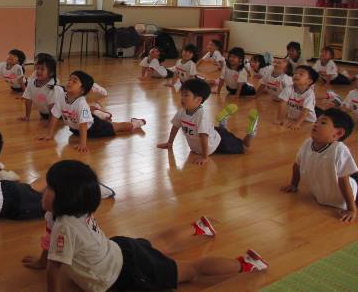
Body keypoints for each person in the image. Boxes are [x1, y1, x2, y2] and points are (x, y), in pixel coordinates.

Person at [22, 160, 267, 292]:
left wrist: (46, 266)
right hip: (118, 249)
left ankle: (245, 263)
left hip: (123, 271)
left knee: (191, 270)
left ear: (66, 198)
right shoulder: (63, 213)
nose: (43, 191)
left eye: (50, 188)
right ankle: (199, 228)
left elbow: (55, 268)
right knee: (160, 243)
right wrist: (41, 261)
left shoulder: (65, 225)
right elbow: (51, 246)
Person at [157, 79, 259, 166]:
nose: (182, 98)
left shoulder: (202, 117)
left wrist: (205, 157)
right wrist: (169, 143)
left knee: (244, 146)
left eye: (186, 95)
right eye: (182, 94)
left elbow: (203, 137)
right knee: (218, 131)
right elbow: (175, 126)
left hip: (219, 144)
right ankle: (222, 124)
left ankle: (252, 130)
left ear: (198, 100)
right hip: (213, 133)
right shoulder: (182, 112)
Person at [281, 108, 358, 223]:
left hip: (353, 192)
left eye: (323, 123)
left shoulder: (339, 150)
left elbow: (344, 180)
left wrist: (352, 209)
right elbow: (297, 165)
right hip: (326, 194)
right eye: (316, 121)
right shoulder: (307, 143)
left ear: (338, 133)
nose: (316, 124)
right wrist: (294, 184)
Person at [39, 71, 145, 153]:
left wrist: (83, 144)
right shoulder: (61, 96)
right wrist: (50, 134)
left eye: (74, 81)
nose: (69, 82)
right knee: (85, 115)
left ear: (82, 90)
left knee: (116, 127)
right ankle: (98, 112)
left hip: (94, 128)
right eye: (69, 79)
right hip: (75, 128)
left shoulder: (81, 104)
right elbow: (55, 115)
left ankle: (136, 123)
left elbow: (83, 125)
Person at [276, 65, 319, 130]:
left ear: (309, 81)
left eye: (301, 74)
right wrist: (279, 119)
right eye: (295, 73)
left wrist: (297, 124)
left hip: (308, 121)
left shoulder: (310, 94)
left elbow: (305, 111)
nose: (296, 75)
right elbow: (282, 104)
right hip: (293, 117)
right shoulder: (288, 88)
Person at [20, 53, 60, 122]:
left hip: (58, 115)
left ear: (51, 73)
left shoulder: (53, 87)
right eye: (37, 68)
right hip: (44, 113)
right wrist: (27, 117)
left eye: (42, 69)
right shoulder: (31, 82)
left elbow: (52, 107)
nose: (38, 71)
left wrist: (50, 123)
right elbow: (28, 100)